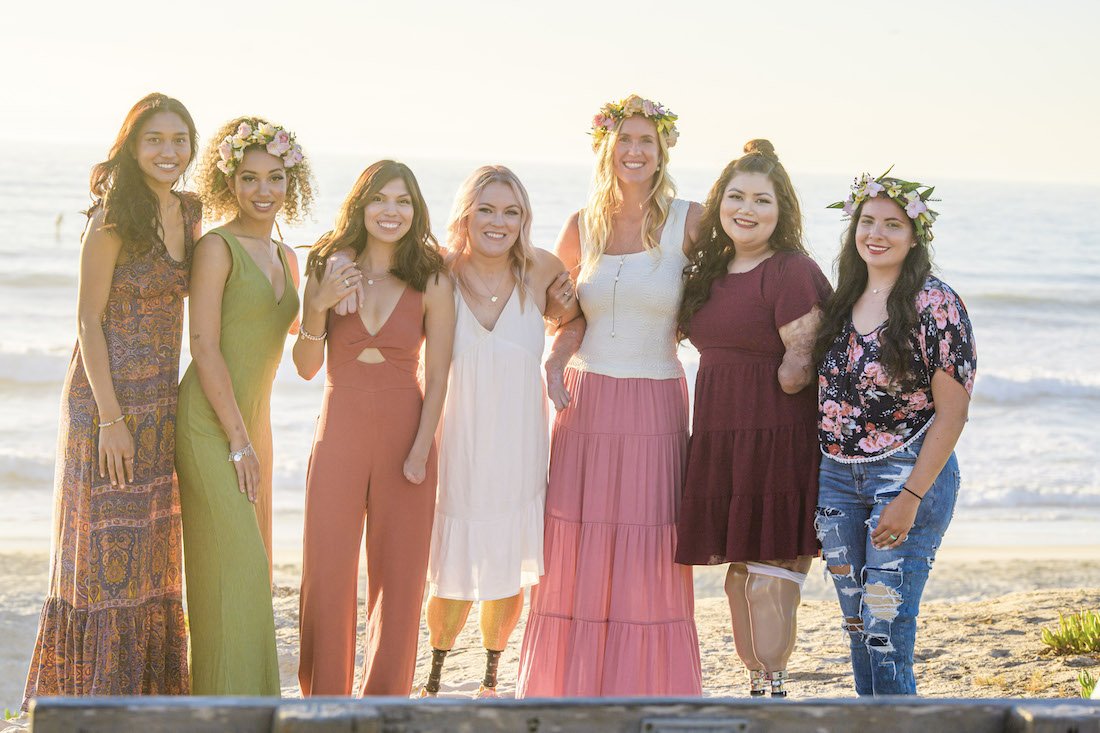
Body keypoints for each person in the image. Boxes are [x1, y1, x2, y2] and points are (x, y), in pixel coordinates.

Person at [516, 94, 703, 697]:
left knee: (649, 546)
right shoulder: (582, 224)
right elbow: (567, 315)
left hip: (655, 402)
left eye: (647, 140)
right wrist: (552, 361)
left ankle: (646, 686)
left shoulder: (690, 221)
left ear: (663, 149)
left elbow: (732, 289)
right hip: (585, 402)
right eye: (625, 139)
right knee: (576, 538)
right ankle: (568, 687)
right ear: (606, 147)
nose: (635, 151)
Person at [22, 92, 198, 708]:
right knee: (101, 557)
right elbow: (87, 322)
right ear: (132, 144)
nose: (168, 151)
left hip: (163, 405)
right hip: (105, 404)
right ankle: (92, 701)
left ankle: (148, 697)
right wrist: (112, 420)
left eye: (179, 139)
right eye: (155, 139)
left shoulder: (193, 213)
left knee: (150, 553)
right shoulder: (112, 218)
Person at [676, 140, 832, 698]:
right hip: (720, 434)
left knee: (771, 575)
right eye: (736, 196)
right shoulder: (708, 270)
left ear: (781, 210)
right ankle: (755, 682)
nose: (747, 209)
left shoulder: (792, 269)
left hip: (777, 435)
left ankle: (778, 683)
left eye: (762, 200)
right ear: (719, 202)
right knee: (737, 574)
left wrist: (792, 359)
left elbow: (803, 368)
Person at [417, 166, 578, 699]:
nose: (498, 221)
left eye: (512, 212)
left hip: (519, 441)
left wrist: (556, 360)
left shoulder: (540, 270)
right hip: (455, 439)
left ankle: (491, 674)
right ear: (466, 212)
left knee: (509, 559)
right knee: (452, 560)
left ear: (525, 219)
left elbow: (576, 319)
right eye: (486, 209)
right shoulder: (435, 271)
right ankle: (435, 674)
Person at [294, 160, 454, 697]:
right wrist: (317, 304)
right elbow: (306, 366)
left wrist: (420, 451)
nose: (392, 211)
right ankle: (326, 704)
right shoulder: (329, 266)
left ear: (416, 210)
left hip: (405, 437)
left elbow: (438, 377)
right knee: (328, 576)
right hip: (338, 434)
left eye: (403, 201)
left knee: (401, 581)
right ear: (360, 206)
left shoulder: (432, 277)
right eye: (380, 199)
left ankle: (385, 704)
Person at [813, 170, 976, 696]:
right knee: (858, 624)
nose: (876, 234)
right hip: (837, 481)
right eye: (867, 221)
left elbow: (952, 414)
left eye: (893, 224)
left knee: (885, 625)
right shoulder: (845, 298)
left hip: (904, 476)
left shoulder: (936, 304)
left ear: (915, 235)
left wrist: (909, 496)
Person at [176, 117, 311, 695]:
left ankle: (252, 708)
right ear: (228, 183)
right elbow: (203, 345)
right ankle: (221, 710)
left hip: (252, 426)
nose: (263, 191)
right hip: (211, 427)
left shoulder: (288, 255)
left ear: (291, 181)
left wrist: (329, 304)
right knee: (238, 570)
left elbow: (307, 358)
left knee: (251, 575)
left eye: (275, 178)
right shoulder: (216, 247)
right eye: (250, 178)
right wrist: (235, 438)